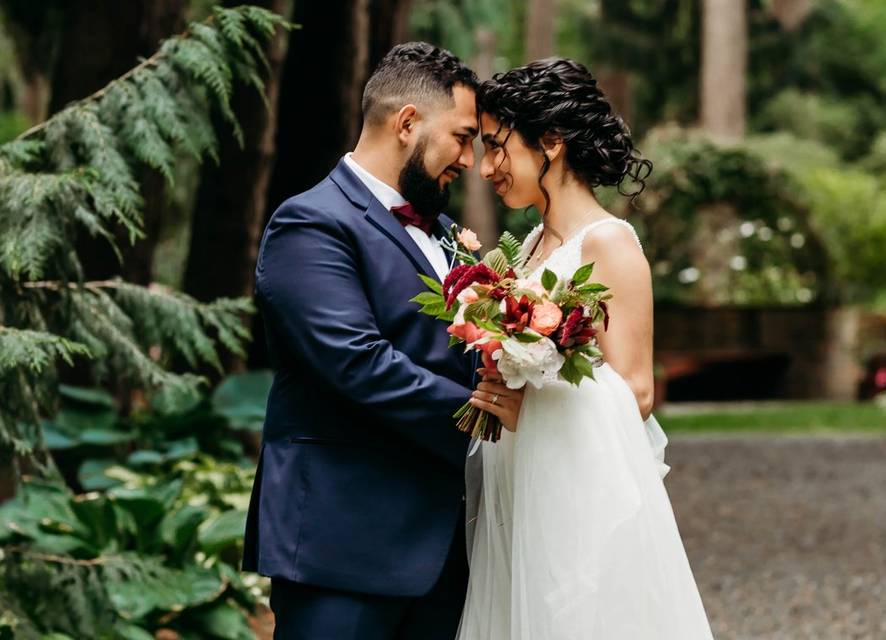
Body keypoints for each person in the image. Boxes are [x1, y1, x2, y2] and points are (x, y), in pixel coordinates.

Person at [242, 42, 522, 639]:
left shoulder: (448, 233)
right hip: (341, 547)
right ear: (407, 123)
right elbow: (356, 362)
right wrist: (488, 420)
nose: (470, 161)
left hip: (446, 549)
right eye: (463, 137)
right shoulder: (309, 223)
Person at [457, 57, 715, 639]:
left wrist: (535, 398)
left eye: (498, 147)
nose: (486, 167)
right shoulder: (530, 244)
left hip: (577, 491)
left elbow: (638, 391)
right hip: (524, 480)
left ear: (550, 143)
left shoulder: (610, 244)